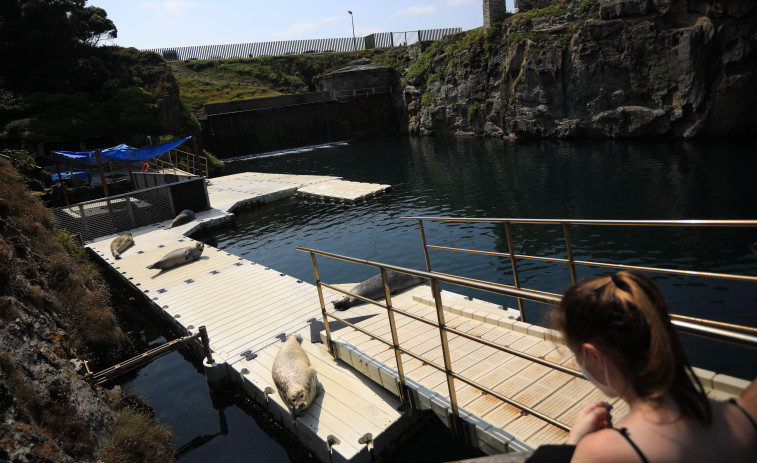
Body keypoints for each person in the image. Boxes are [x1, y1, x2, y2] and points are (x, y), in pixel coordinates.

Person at [549, 270, 757, 463]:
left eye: (577, 355)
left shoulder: (601, 452)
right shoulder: (746, 414)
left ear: (594, 356)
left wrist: (573, 445)